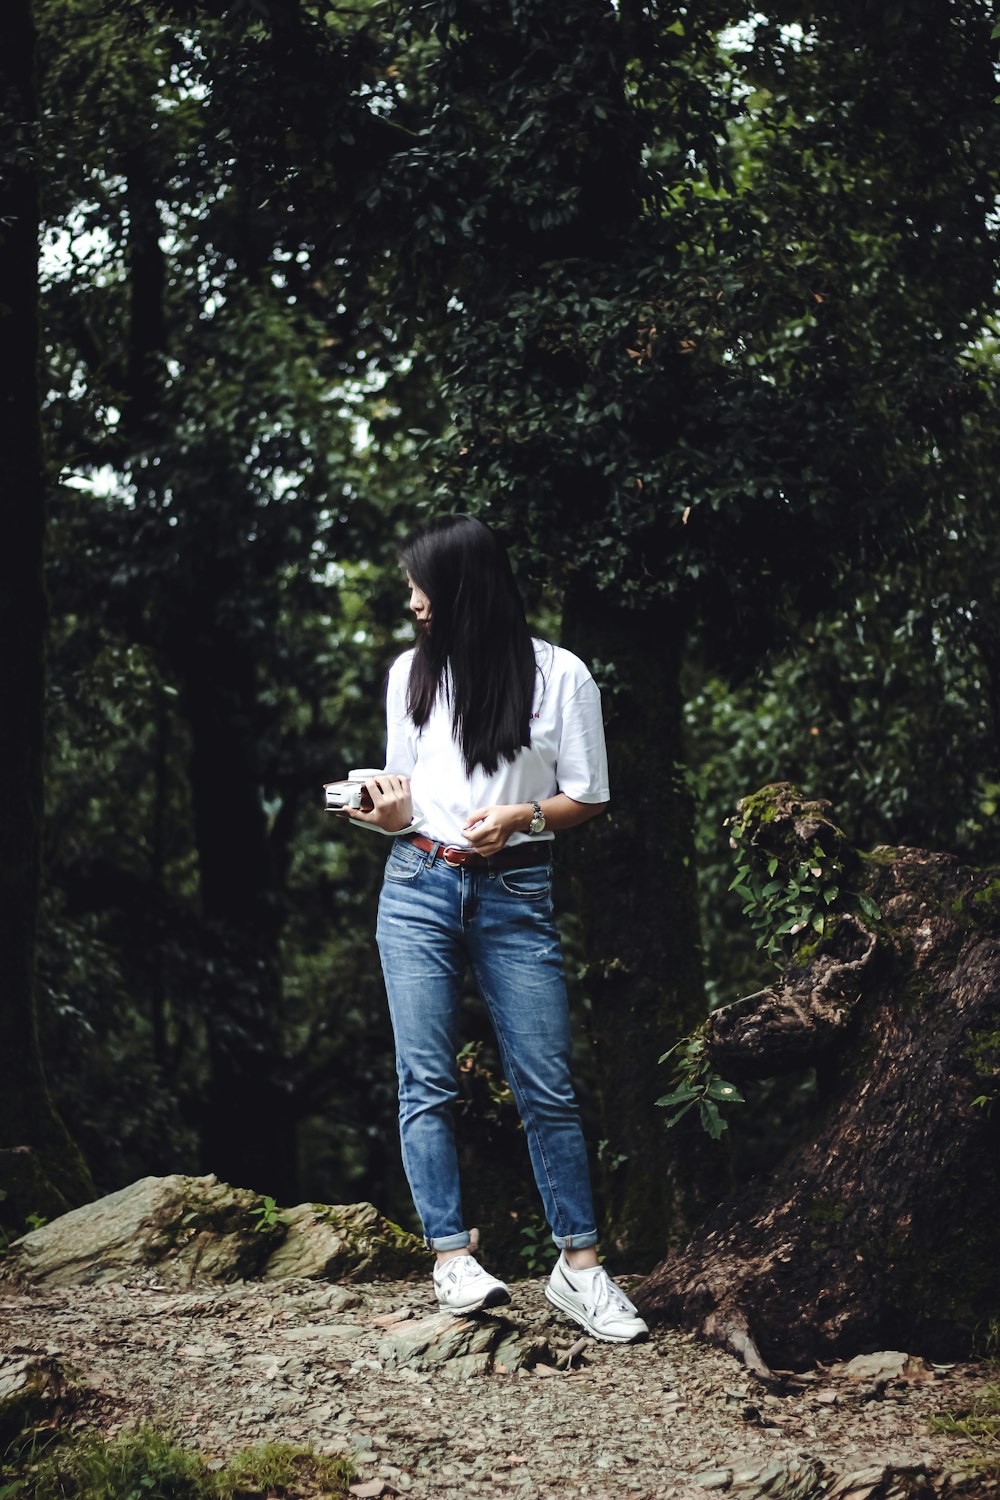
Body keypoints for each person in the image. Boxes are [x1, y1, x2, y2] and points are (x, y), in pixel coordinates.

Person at [345, 514, 647, 1344]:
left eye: (422, 587)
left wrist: (523, 817)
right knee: (425, 1080)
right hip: (416, 884)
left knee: (547, 1081)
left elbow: (587, 796)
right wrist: (386, 813)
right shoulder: (411, 673)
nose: (412, 602)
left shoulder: (560, 675)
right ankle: (452, 1259)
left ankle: (578, 1269)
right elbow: (399, 794)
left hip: (514, 893)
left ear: (461, 592)